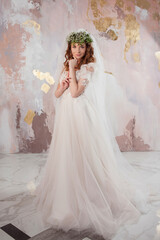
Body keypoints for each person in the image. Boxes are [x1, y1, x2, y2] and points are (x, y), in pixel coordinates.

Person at [34, 29, 151, 240]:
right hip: (68, 117)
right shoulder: (67, 66)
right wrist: (62, 84)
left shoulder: (89, 67)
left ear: (87, 48)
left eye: (81, 46)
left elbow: (76, 93)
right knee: (68, 153)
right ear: (69, 47)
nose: (77, 50)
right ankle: (68, 196)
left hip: (82, 116)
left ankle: (92, 195)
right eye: (74, 46)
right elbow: (59, 94)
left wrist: (71, 69)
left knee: (85, 153)